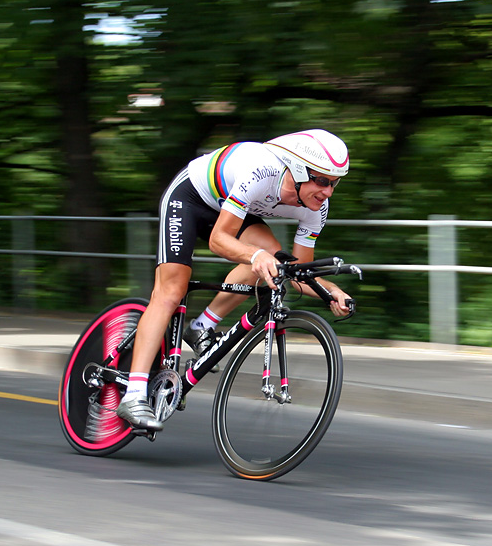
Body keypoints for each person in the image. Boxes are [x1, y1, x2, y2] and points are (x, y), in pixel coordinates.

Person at [116, 129, 354, 431]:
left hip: (233, 208)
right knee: (171, 292)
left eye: (334, 183)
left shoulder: (316, 208)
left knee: (278, 262)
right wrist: (255, 257)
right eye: (322, 181)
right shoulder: (261, 171)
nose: (328, 191)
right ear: (297, 170)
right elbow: (218, 240)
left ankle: (202, 326)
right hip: (191, 198)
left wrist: (330, 291)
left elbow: (298, 274)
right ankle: (133, 394)